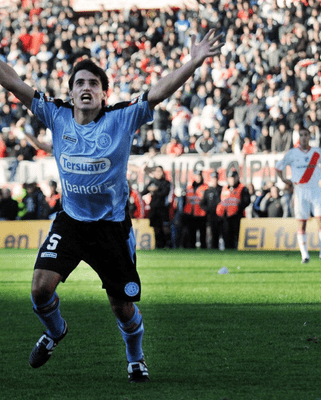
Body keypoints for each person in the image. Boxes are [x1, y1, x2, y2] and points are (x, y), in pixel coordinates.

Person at [0, 29, 223, 382]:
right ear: (71, 93)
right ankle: (56, 331)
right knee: (40, 289)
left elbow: (159, 90)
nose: (86, 87)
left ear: (104, 94)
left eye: (93, 83)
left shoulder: (122, 118)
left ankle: (135, 357)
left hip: (111, 228)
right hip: (70, 223)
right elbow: (14, 82)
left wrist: (194, 61)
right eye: (79, 83)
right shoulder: (55, 115)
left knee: (122, 307)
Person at [276, 128, 321, 264]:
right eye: (301, 135)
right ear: (298, 137)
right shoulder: (292, 153)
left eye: (306, 135)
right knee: (302, 223)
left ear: (309, 137)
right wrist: (284, 180)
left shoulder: (317, 152)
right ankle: (305, 255)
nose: (303, 137)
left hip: (315, 190)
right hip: (300, 190)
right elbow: (279, 167)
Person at [216, 169, 251, 249]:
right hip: (226, 217)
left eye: (233, 177)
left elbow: (246, 201)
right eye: (230, 178)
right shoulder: (225, 188)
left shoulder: (242, 188)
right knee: (227, 238)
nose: (232, 180)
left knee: (237, 238)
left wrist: (237, 209)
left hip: (237, 216)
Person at [141, 165, 173, 249]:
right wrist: (149, 189)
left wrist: (155, 191)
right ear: (154, 173)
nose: (159, 173)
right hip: (154, 208)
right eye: (157, 171)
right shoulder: (152, 182)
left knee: (165, 227)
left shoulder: (166, 183)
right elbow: (143, 192)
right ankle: (158, 244)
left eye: (160, 171)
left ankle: (168, 244)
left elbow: (164, 194)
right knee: (156, 227)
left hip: (163, 208)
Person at [181, 168, 208, 249]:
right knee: (191, 236)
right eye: (196, 176)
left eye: (199, 176)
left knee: (202, 236)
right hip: (190, 214)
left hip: (201, 214)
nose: (198, 178)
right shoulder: (189, 188)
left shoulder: (206, 187)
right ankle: (192, 252)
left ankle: (203, 252)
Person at [200, 170, 222, 249]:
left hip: (221, 217)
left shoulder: (222, 189)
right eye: (213, 178)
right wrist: (208, 210)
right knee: (213, 236)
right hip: (211, 217)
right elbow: (202, 203)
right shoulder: (208, 191)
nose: (214, 180)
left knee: (224, 235)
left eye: (215, 178)